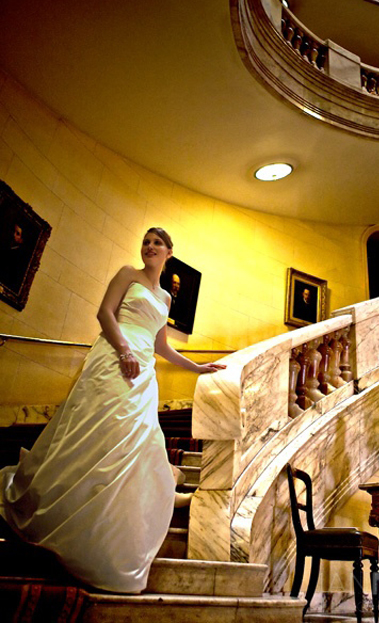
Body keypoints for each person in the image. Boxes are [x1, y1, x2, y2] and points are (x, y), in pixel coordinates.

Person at [0, 227, 225, 593]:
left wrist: (196, 368)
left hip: (143, 371)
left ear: (169, 253)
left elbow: (161, 346)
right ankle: (59, 510)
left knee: (137, 437)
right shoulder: (127, 274)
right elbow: (105, 313)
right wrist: (123, 351)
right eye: (146, 242)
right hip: (114, 358)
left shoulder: (166, 298)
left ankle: (109, 531)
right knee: (94, 430)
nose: (149, 247)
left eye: (157, 243)